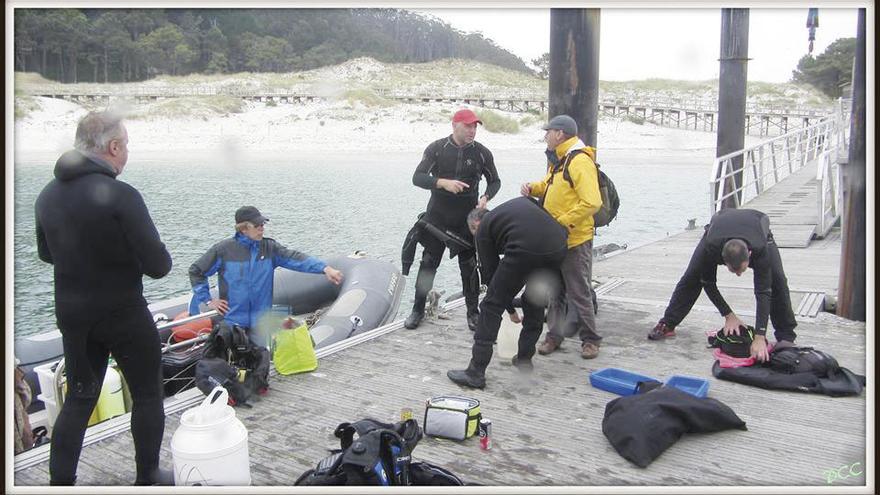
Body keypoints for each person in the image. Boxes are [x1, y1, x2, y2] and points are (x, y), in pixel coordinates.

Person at [35, 111, 173, 485]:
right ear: (114, 147)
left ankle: (59, 483)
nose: (126, 152)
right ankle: (148, 478)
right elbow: (158, 265)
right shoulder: (121, 195)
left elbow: (47, 254)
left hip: (73, 314)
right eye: (125, 144)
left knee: (80, 397)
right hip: (122, 312)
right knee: (147, 396)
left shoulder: (47, 195)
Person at [447, 197, 568, 389]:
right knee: (533, 299)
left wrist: (510, 310)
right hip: (558, 245)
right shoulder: (519, 205)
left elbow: (491, 277)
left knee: (489, 306)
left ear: (474, 226)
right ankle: (524, 359)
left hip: (526, 248)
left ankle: (476, 372)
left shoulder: (482, 230)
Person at [647, 208, 798, 362]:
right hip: (718, 230)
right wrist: (728, 315)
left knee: (777, 280)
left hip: (756, 226)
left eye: (741, 270)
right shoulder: (711, 248)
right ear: (723, 260)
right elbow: (708, 283)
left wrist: (759, 337)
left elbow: (764, 291)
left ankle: (786, 336)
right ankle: (667, 323)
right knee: (692, 276)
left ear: (750, 256)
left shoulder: (760, 249)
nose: (739, 274)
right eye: (734, 271)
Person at [188, 206, 343, 349]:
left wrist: (325, 268)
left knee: (261, 364)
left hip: (261, 324)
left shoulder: (270, 249)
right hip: (233, 322)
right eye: (257, 225)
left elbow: (296, 259)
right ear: (243, 228)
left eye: (263, 224)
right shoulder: (223, 250)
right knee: (234, 367)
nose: (262, 228)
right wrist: (208, 300)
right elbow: (197, 271)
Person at [404, 108, 501, 331]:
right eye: (468, 126)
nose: (472, 130)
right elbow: (417, 178)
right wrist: (442, 183)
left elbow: (495, 181)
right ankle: (417, 310)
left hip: (466, 220)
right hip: (437, 218)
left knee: (468, 268)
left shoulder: (482, 153)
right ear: (454, 125)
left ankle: (472, 313)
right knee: (428, 265)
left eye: (475, 126)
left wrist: (486, 197)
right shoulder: (437, 149)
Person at [520, 115, 604, 359]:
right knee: (555, 292)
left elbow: (592, 202)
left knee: (579, 292)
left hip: (574, 240)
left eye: (548, 132)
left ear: (560, 134)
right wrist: (533, 188)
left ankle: (591, 339)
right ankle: (554, 336)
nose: (545, 136)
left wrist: (562, 222)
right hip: (556, 240)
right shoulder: (561, 159)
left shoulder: (579, 161)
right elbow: (549, 185)